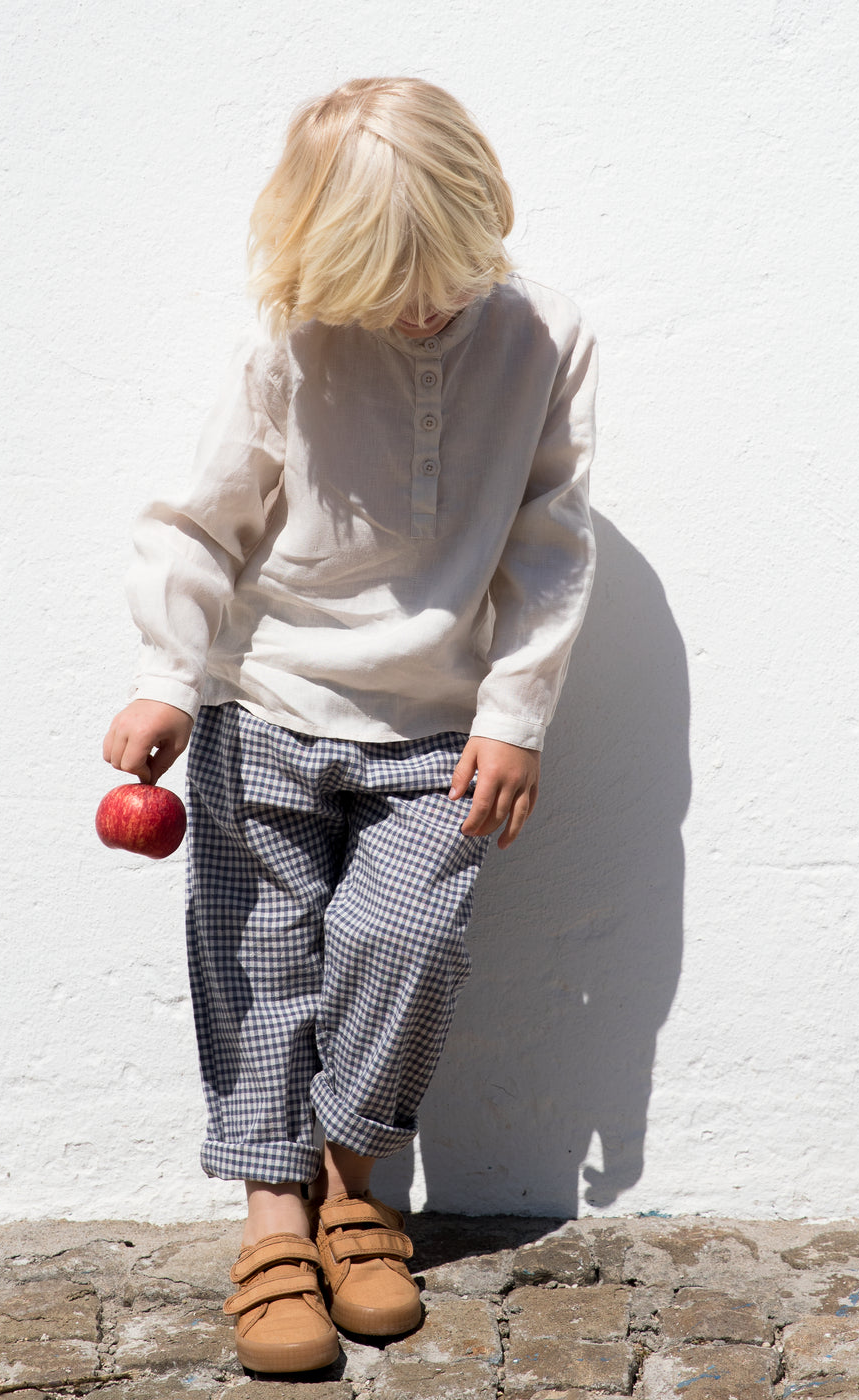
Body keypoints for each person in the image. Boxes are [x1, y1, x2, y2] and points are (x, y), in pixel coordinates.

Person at [102, 75, 597, 1375]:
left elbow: (551, 549)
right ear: (321, 258)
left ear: (480, 217)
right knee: (262, 960)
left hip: (438, 728)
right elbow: (199, 523)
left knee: (404, 936)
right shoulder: (290, 338)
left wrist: (518, 713)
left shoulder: (542, 339)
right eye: (386, 283)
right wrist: (167, 672)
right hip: (267, 707)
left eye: (438, 274)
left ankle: (353, 1179)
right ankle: (274, 1215)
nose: (419, 308)